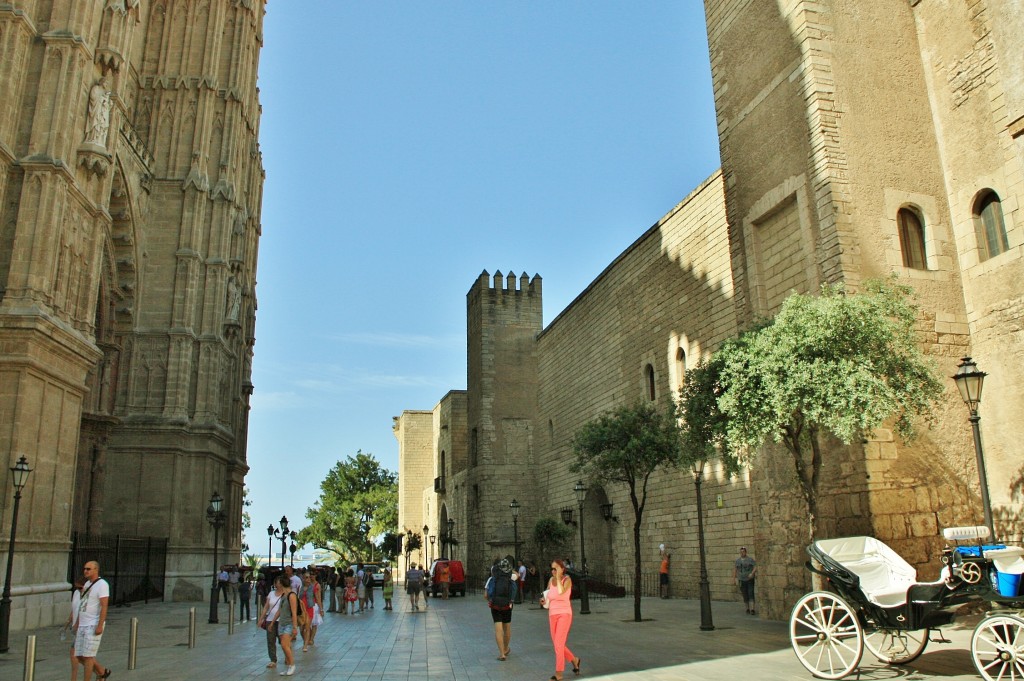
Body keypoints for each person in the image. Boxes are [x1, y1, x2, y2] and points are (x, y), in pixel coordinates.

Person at [541, 559, 581, 681]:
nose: (553, 571)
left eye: (556, 568)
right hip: (552, 614)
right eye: (552, 569)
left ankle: (559, 674)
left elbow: (561, 591)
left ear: (562, 569)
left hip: (564, 614)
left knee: (558, 644)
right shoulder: (550, 580)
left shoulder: (567, 580)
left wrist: (558, 578)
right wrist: (543, 600)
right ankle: (575, 660)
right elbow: (548, 595)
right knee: (558, 645)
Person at [74, 561, 112, 681]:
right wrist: (77, 623)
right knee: (79, 655)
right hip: (83, 624)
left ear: (96, 570)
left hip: (92, 623)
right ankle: (101, 672)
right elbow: (82, 605)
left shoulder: (102, 585)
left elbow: (104, 605)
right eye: (85, 569)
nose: (85, 571)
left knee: (88, 656)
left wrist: (100, 625)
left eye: (89, 569)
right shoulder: (86, 585)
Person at [485, 557, 518, 661]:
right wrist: (510, 570)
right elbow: (518, 575)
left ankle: (501, 654)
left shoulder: (492, 577)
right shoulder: (511, 577)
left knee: (498, 629)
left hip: (495, 605)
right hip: (507, 605)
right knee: (507, 627)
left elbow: (486, 595)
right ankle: (506, 649)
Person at [271, 574, 299, 676]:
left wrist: (295, 627)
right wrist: (273, 622)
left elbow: (294, 612)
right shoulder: (283, 595)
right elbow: (280, 610)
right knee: (285, 646)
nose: (276, 584)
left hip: (289, 624)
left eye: (278, 582)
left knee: (284, 644)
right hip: (281, 623)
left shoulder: (291, 595)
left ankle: (292, 665)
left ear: (282, 583)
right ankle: (288, 666)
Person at [258, 577, 282, 670]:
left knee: (283, 640)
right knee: (270, 640)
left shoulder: (286, 594)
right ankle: (273, 660)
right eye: (275, 582)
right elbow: (266, 607)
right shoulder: (271, 594)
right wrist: (261, 619)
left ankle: (288, 655)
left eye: (278, 582)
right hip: (270, 620)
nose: (277, 585)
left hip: (281, 620)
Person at [734, 546, 757, 615]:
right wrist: (734, 578)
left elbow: (755, 567)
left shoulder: (750, 559)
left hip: (749, 579)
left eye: (743, 552)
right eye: (741, 552)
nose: (742, 553)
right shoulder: (738, 561)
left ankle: (752, 609)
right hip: (741, 579)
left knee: (751, 593)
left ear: (745, 552)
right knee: (745, 594)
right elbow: (736, 569)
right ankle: (747, 608)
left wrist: (752, 573)